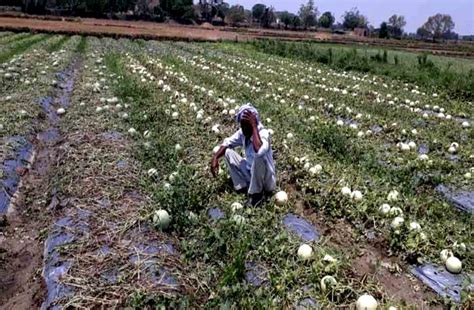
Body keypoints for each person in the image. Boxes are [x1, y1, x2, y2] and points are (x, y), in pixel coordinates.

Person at [211, 103, 276, 207]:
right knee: (228, 152)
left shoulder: (263, 133)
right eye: (242, 125)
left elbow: (260, 150)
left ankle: (256, 195)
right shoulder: (243, 132)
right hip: (251, 175)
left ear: (254, 123)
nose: (244, 128)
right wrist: (215, 157)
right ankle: (243, 187)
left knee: (259, 156)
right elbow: (227, 143)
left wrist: (254, 127)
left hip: (266, 182)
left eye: (247, 125)